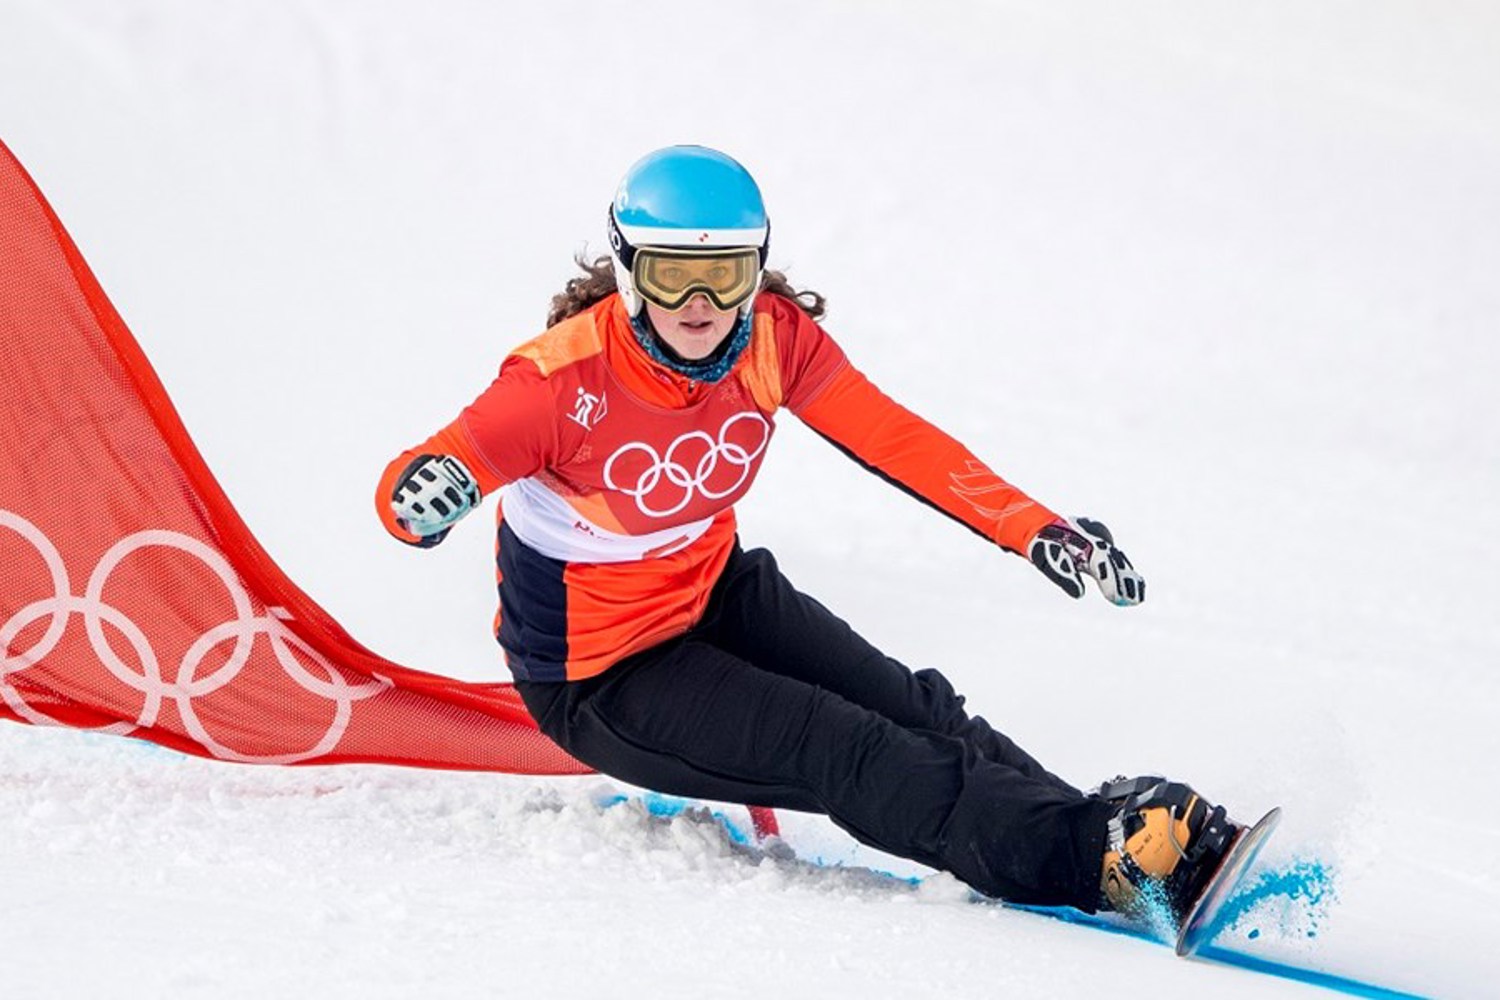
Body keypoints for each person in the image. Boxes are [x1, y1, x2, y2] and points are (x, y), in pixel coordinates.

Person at [376, 145, 1238, 922]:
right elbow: (421, 475)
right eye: (674, 275)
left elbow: (898, 440)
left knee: (914, 706)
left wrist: (1036, 527)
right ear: (629, 269)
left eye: (729, 273)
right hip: (601, 675)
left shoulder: (773, 341)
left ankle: (1107, 833)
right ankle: (1091, 862)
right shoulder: (556, 383)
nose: (703, 303)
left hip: (712, 593)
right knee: (848, 749)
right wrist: (425, 498)